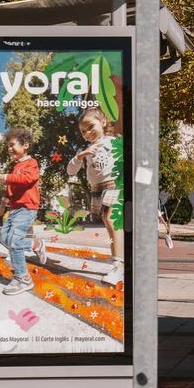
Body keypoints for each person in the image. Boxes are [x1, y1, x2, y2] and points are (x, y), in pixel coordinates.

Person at [66, 108, 123, 284]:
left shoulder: (114, 142)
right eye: (83, 131)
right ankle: (121, 257)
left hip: (114, 185)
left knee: (110, 220)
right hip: (96, 189)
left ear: (103, 122)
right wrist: (79, 156)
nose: (87, 133)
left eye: (91, 127)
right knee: (108, 224)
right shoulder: (86, 150)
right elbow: (70, 171)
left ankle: (118, 266)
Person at [0, 128, 48, 296]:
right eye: (7, 146)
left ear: (25, 145)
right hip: (15, 209)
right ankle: (34, 245)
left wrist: (3, 176)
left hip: (27, 207)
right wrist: (3, 205)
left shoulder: (31, 163)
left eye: (12, 145)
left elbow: (26, 179)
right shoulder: (16, 166)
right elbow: (11, 189)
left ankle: (23, 278)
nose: (9, 149)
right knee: (5, 238)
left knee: (14, 241)